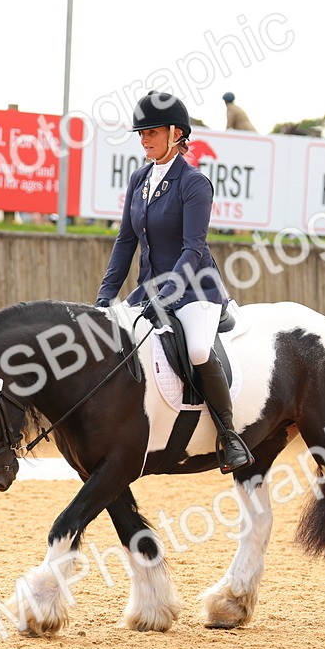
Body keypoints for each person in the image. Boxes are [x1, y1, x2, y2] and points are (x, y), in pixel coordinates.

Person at [95, 92, 253, 474]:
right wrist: (105, 296)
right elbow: (126, 242)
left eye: (152, 132)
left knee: (198, 349)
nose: (144, 139)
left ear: (176, 134)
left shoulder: (194, 184)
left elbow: (193, 248)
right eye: (141, 133)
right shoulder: (140, 179)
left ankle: (229, 435)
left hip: (195, 289)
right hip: (148, 288)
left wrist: (168, 294)